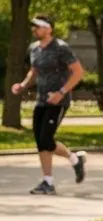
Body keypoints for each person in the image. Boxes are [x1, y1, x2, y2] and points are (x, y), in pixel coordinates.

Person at [11, 15, 86, 194]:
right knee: (41, 142)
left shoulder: (61, 48)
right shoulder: (34, 49)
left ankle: (73, 159)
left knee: (46, 138)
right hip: (42, 100)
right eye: (33, 27)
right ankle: (48, 181)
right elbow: (34, 71)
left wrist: (61, 93)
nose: (34, 30)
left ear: (49, 29)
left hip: (58, 101)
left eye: (38, 26)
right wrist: (23, 85)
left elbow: (78, 72)